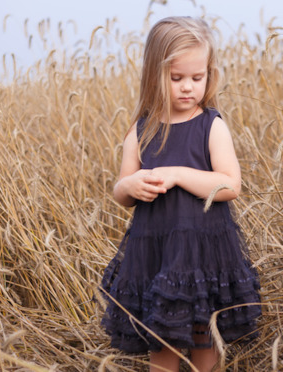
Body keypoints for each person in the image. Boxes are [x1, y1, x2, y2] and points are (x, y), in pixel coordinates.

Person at [98, 16, 261, 372]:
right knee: (163, 340)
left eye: (197, 78)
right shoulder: (141, 131)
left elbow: (230, 185)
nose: (188, 87)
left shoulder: (211, 125)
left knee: (205, 336)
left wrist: (178, 174)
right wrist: (129, 186)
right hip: (156, 253)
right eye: (176, 79)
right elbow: (121, 191)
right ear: (155, 76)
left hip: (205, 253)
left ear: (209, 74)